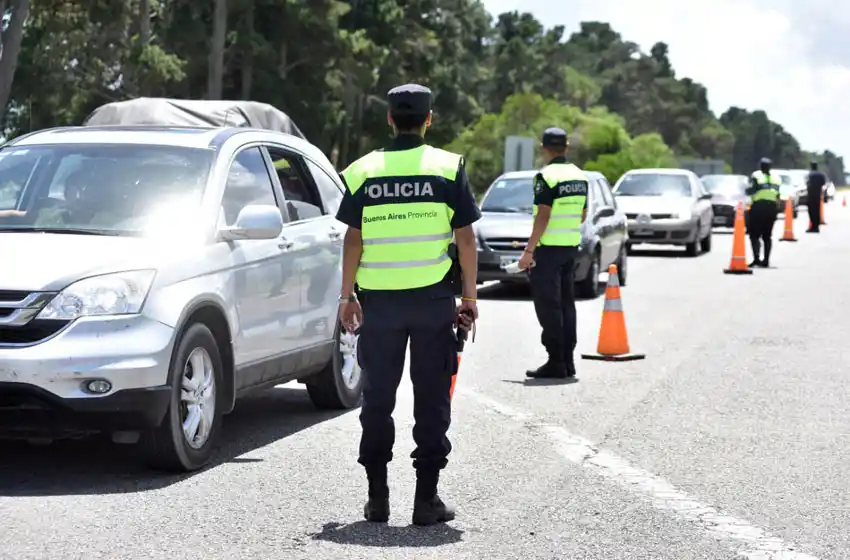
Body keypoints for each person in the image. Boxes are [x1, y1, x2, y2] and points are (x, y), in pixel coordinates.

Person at [335, 83, 481, 526]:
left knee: (377, 399)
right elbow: (466, 238)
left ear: (389, 119)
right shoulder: (446, 168)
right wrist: (470, 296)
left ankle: (377, 499)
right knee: (432, 399)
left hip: (378, 306)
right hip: (433, 302)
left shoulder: (363, 171)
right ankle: (426, 500)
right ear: (429, 119)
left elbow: (353, 238)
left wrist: (346, 297)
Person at [517, 127, 588, 379]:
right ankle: (567, 360)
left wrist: (528, 250)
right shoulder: (581, 177)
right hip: (570, 247)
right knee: (567, 305)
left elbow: (543, 215)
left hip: (547, 251)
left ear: (543, 148)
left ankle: (556, 361)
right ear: (566, 147)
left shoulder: (545, 177)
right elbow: (582, 214)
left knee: (549, 306)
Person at [746, 157, 781, 267]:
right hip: (772, 208)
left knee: (754, 235)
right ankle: (766, 261)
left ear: (760, 167)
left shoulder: (756, 176)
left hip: (758, 207)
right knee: (767, 236)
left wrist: (746, 190)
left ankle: (756, 259)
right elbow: (778, 195)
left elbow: (752, 190)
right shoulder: (776, 178)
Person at [806, 160, 827, 233]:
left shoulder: (810, 175)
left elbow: (807, 183)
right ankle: (816, 226)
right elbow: (824, 184)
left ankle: (813, 226)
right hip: (818, 195)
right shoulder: (821, 175)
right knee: (817, 211)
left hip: (811, 195)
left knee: (811, 212)